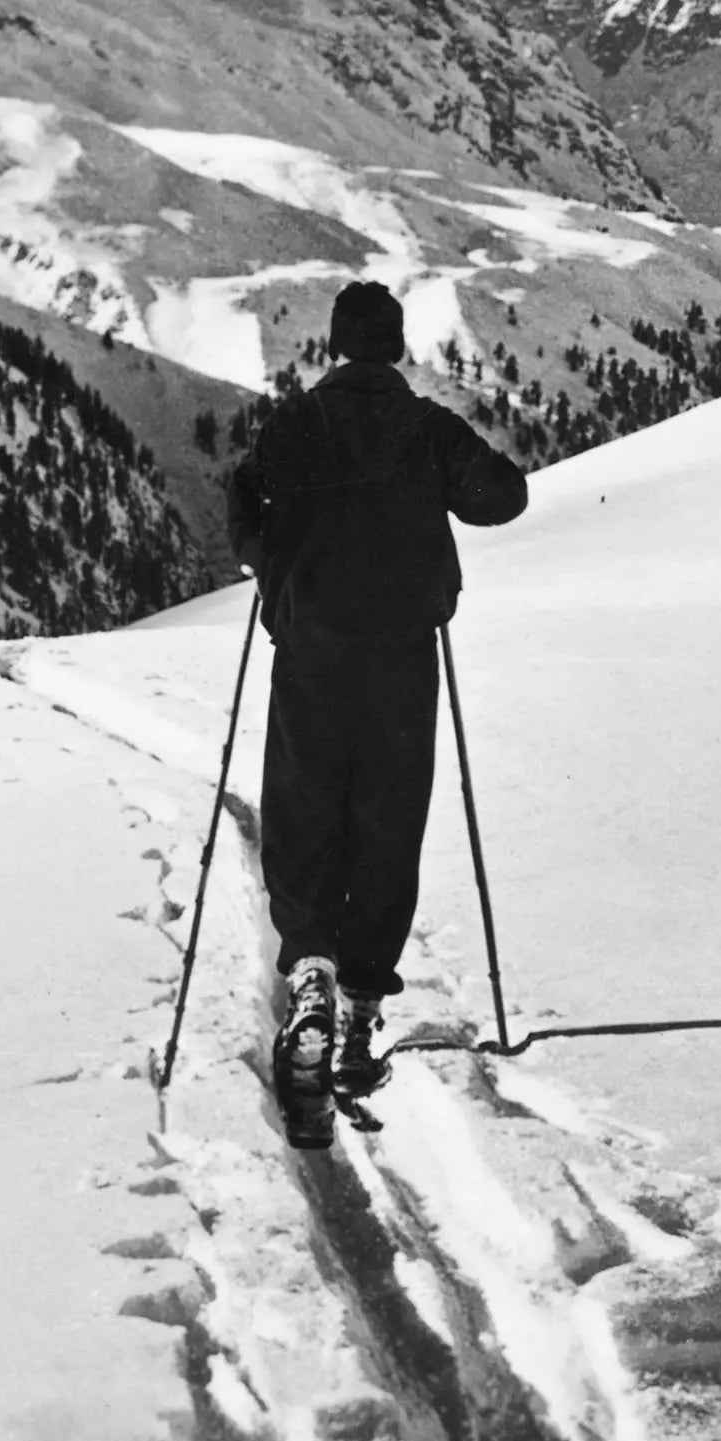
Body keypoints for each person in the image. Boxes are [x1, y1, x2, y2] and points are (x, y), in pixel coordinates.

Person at [228, 281, 527, 1146]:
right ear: (393, 348)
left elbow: (243, 508)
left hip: (312, 651)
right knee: (388, 817)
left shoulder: (292, 427)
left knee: (305, 806)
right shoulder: (427, 427)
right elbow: (501, 496)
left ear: (334, 345)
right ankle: (360, 1005)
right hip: (402, 656)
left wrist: (274, 566)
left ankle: (311, 971)